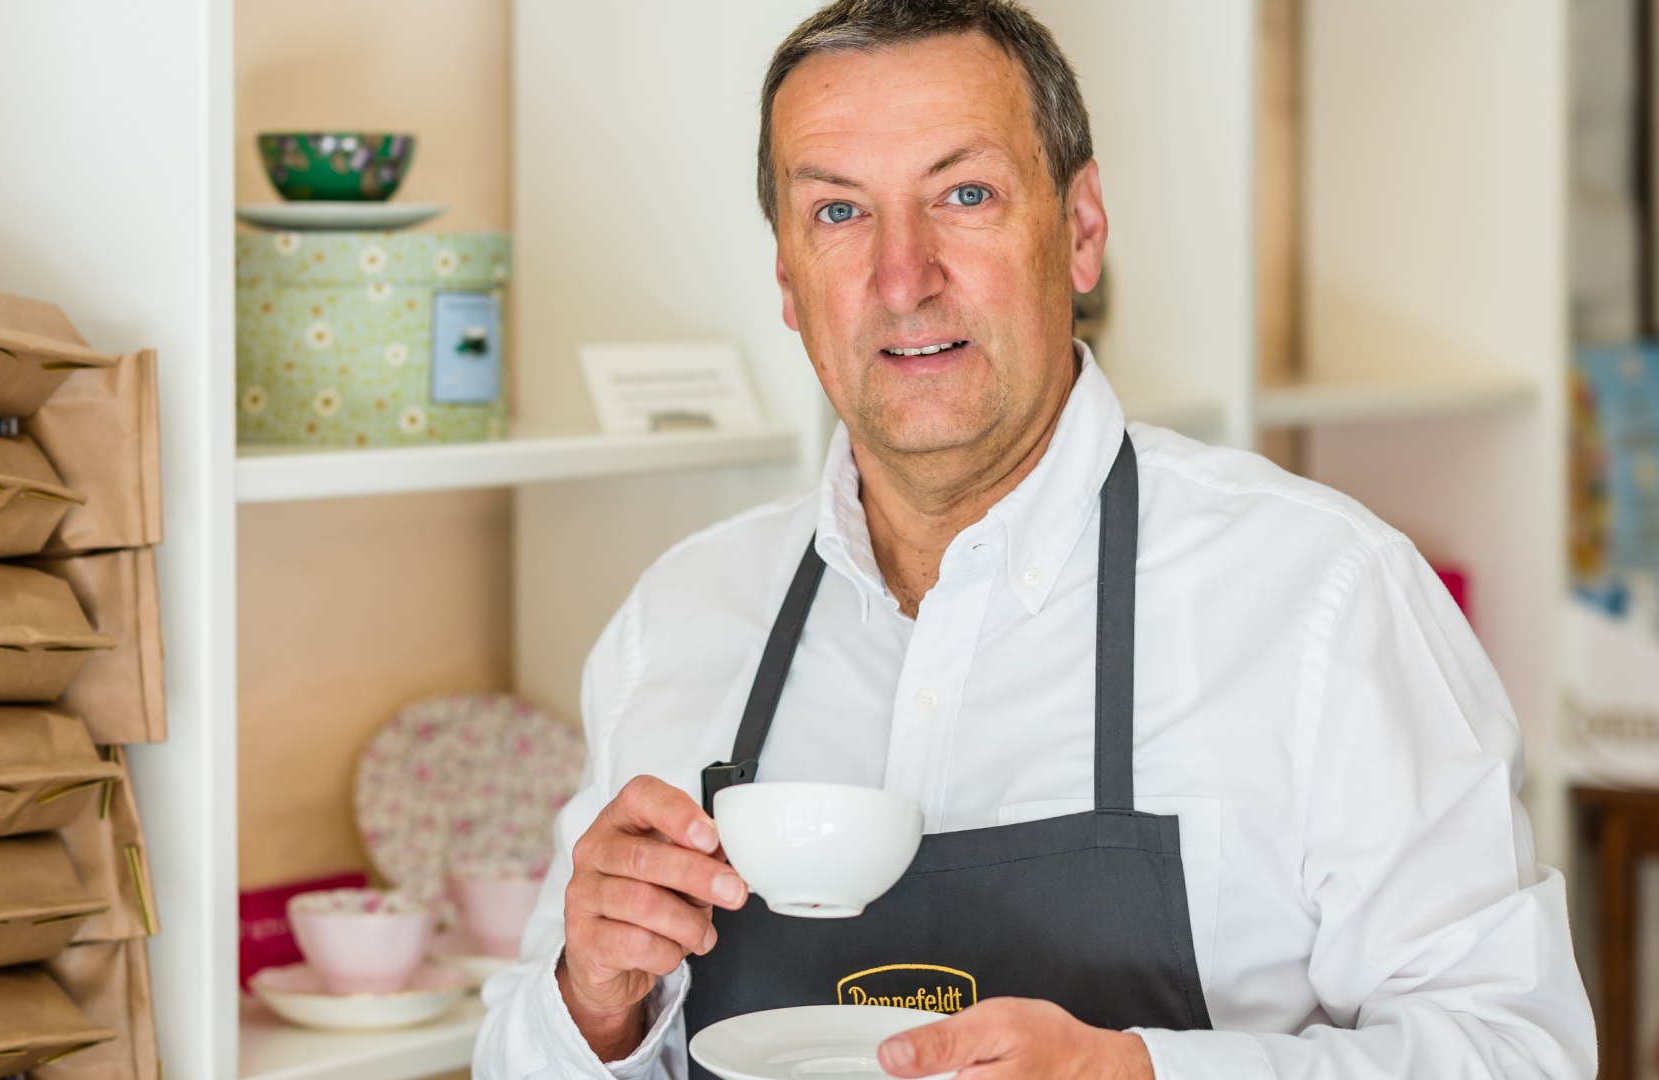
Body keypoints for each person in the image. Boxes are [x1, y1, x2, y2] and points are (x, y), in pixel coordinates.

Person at [474, 1, 1597, 1076]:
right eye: (837, 212)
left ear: (1081, 230)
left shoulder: (1322, 599)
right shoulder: (679, 616)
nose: (901, 278)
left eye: (963, 194)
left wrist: (1146, 1076)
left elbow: (1516, 1051)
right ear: (786, 279)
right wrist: (593, 1004)